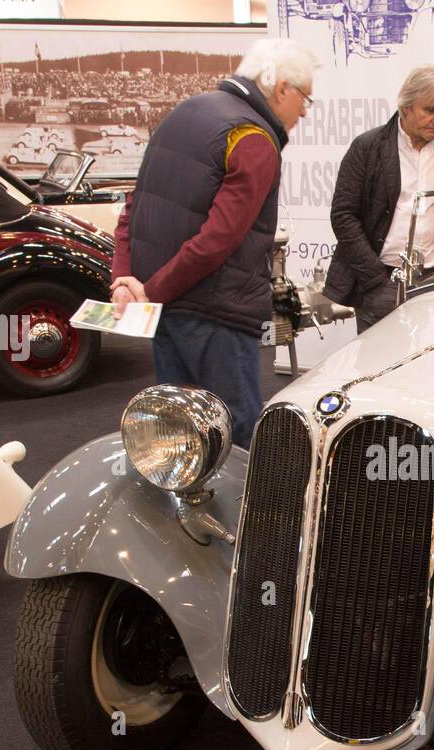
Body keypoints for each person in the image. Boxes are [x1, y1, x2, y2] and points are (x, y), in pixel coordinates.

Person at [109, 38, 319, 449]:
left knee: (180, 431)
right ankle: (240, 514)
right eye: (305, 98)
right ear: (281, 88)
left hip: (165, 312)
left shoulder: (182, 114)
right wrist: (148, 291)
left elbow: (133, 208)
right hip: (219, 315)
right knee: (234, 433)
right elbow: (217, 241)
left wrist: (126, 283)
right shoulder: (253, 139)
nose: (305, 111)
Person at [325, 66, 434, 333]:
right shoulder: (367, 147)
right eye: (430, 110)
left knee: (430, 367)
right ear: (406, 106)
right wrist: (375, 278)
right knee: (377, 370)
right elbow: (343, 215)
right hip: (383, 282)